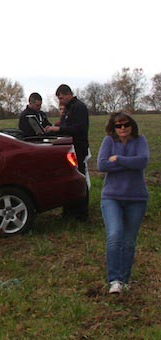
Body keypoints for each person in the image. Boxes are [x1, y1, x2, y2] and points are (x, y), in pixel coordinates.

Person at [97, 112, 149, 294]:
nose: (122, 128)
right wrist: (130, 164)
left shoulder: (140, 141)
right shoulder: (108, 142)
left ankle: (125, 280)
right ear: (113, 128)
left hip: (137, 199)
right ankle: (115, 280)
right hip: (112, 197)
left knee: (128, 241)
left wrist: (118, 159)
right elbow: (102, 165)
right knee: (114, 235)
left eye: (125, 124)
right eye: (118, 126)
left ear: (131, 125)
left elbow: (143, 161)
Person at [45, 84, 90, 220]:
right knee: (68, 179)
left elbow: (79, 128)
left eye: (61, 98)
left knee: (79, 178)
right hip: (68, 148)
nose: (60, 101)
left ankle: (81, 213)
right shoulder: (68, 109)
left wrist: (58, 130)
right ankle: (69, 211)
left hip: (78, 148)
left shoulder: (78, 108)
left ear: (68, 94)